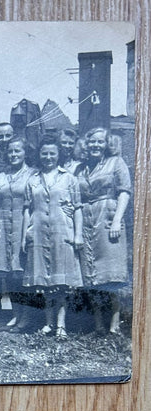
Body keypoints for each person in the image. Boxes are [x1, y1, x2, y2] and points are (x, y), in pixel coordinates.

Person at [21, 136, 84, 339]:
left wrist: (78, 234)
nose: (48, 157)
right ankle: (48, 322)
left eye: (52, 153)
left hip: (61, 232)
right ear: (39, 155)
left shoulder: (69, 178)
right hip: (38, 232)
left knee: (61, 283)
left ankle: (61, 325)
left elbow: (77, 209)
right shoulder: (33, 180)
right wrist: (25, 235)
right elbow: (27, 210)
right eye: (44, 153)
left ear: (59, 155)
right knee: (43, 283)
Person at [76, 127, 131, 335]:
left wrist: (117, 220)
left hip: (108, 218)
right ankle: (98, 324)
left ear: (107, 144)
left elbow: (124, 192)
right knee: (92, 274)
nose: (95, 146)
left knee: (111, 275)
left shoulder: (116, 163)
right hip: (87, 220)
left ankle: (115, 325)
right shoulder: (80, 168)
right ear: (86, 145)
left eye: (100, 142)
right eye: (92, 142)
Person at [0, 137, 34, 330]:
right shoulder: (1, 176)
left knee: (22, 272)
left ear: (24, 153)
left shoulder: (33, 174)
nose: (13, 155)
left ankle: (27, 316)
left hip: (23, 225)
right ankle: (15, 314)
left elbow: (31, 207)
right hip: (3, 226)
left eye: (17, 151)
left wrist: (27, 233)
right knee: (7, 274)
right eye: (10, 152)